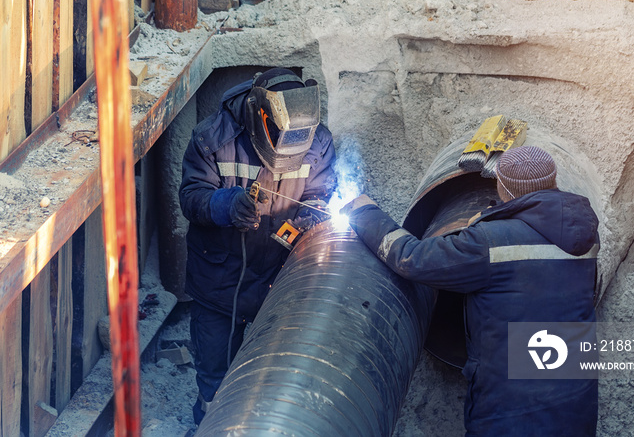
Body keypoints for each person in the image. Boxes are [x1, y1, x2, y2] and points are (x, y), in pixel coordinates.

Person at [342, 145, 598, 436]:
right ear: (554, 181)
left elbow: (411, 259)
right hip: (575, 399)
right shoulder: (585, 235)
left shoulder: (489, 242)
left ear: (502, 187)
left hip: (513, 410)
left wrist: (363, 212)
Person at [179, 68, 337, 424]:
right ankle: (209, 427)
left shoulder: (318, 141)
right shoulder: (212, 138)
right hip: (219, 284)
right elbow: (190, 198)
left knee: (276, 382)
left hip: (278, 284)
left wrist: (315, 217)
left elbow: (320, 193)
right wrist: (227, 205)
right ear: (262, 116)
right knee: (215, 378)